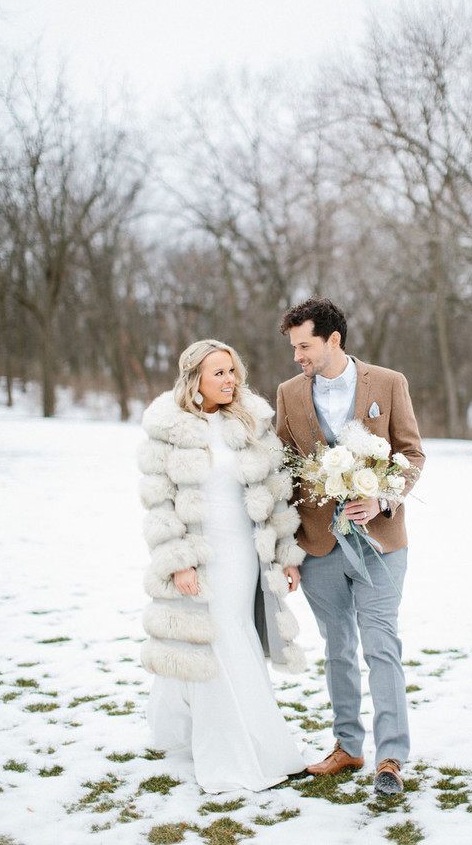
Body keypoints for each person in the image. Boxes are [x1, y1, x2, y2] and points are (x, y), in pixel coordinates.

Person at [138, 339, 306, 793]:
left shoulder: (251, 422)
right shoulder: (169, 428)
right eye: (219, 373)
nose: (230, 380)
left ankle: (255, 739)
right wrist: (180, 562)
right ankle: (228, 750)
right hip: (199, 551)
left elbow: (276, 494)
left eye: (232, 371)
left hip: (243, 553)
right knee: (208, 640)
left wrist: (286, 556)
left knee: (234, 633)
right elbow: (160, 503)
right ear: (195, 379)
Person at [276, 298, 425, 796]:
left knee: (381, 644)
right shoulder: (288, 393)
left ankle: (391, 757)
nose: (297, 356)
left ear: (333, 340)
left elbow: (411, 453)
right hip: (318, 545)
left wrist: (382, 498)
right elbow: (282, 474)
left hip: (381, 542)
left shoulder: (389, 383)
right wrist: (286, 550)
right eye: (294, 347)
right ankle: (347, 746)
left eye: (304, 345)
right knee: (337, 648)